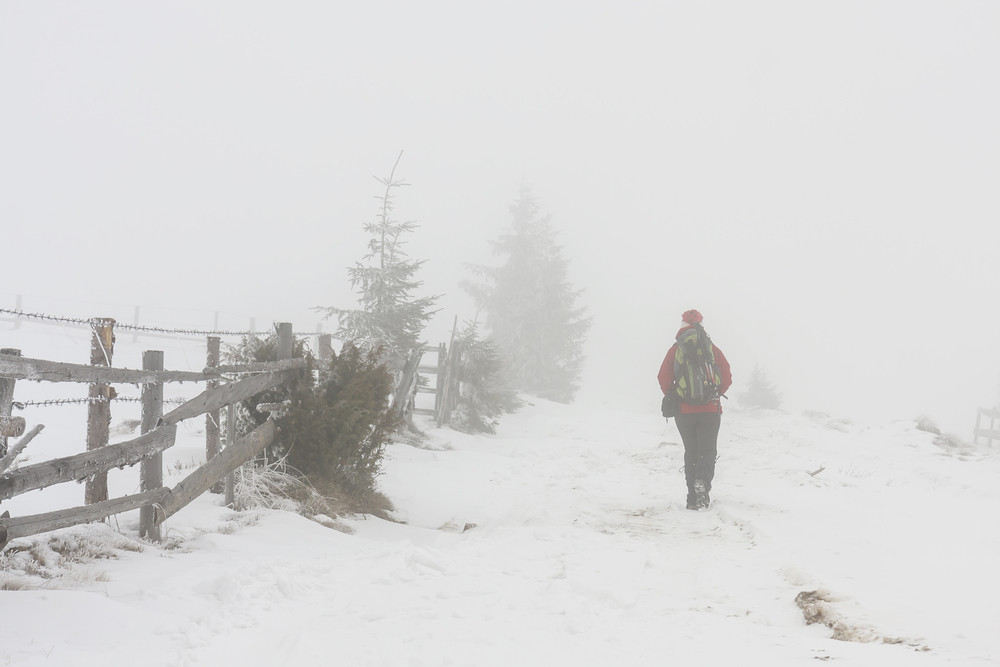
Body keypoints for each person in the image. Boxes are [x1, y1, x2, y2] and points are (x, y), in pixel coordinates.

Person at [657, 309, 732, 510]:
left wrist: (673, 393)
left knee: (691, 452)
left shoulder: (675, 349)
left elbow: (662, 377)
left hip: (684, 411)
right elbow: (727, 376)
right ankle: (703, 487)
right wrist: (715, 393)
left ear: (682, 324)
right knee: (707, 451)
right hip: (710, 409)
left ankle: (692, 498)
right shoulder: (712, 348)